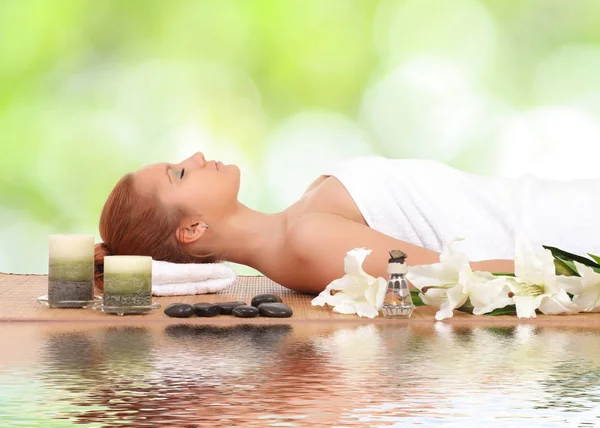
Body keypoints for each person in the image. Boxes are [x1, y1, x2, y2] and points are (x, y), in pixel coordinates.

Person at [94, 151, 599, 294]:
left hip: (556, 205)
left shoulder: (302, 219)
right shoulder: (308, 243)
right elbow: (461, 280)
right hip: (570, 233)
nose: (198, 155)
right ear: (192, 230)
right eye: (179, 173)